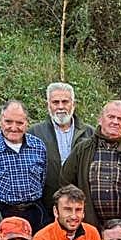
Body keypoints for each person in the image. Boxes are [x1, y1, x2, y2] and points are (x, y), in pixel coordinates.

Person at [61, 100, 121, 240]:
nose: (115, 122)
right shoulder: (82, 150)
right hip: (89, 228)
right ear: (100, 119)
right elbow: (66, 185)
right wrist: (74, 217)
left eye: (120, 119)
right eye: (111, 117)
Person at [0, 100, 48, 232]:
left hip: (34, 213)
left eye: (19, 123)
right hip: (1, 212)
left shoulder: (38, 146)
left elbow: (42, 179)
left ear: (27, 123)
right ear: (0, 121)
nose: (13, 127)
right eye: (8, 122)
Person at [30, 81, 93, 215]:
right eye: (55, 102)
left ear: (73, 104)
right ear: (48, 105)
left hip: (81, 205)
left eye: (65, 102)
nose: (60, 107)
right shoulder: (34, 133)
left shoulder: (90, 133)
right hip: (46, 206)